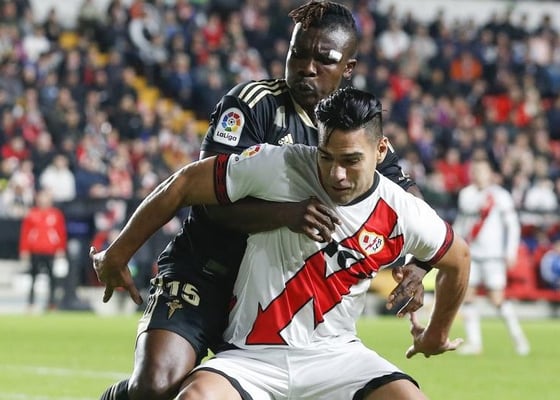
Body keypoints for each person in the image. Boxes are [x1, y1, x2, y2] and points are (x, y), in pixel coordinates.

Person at [92, 2, 428, 399]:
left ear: (348, 68)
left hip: (275, 293)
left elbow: (410, 202)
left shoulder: (351, 127)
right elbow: (205, 199)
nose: (307, 68)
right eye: (298, 54)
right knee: (155, 386)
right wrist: (288, 214)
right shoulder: (252, 104)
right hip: (207, 272)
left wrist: (417, 266)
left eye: (324, 59)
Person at [453, 157, 530, 356]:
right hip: (472, 254)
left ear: (490, 174)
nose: (478, 175)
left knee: (497, 299)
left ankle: (519, 338)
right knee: (467, 297)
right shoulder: (466, 194)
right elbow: (462, 223)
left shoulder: (500, 196)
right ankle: (474, 343)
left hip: (493, 256)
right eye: (475, 171)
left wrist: (510, 251)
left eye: (482, 171)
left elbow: (512, 226)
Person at [19, 188, 67, 311]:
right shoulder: (31, 214)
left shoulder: (56, 214)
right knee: (33, 278)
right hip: (35, 250)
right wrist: (24, 249)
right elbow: (25, 233)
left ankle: (51, 303)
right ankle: (31, 303)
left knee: (52, 278)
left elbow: (61, 233)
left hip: (50, 251)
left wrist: (61, 248)